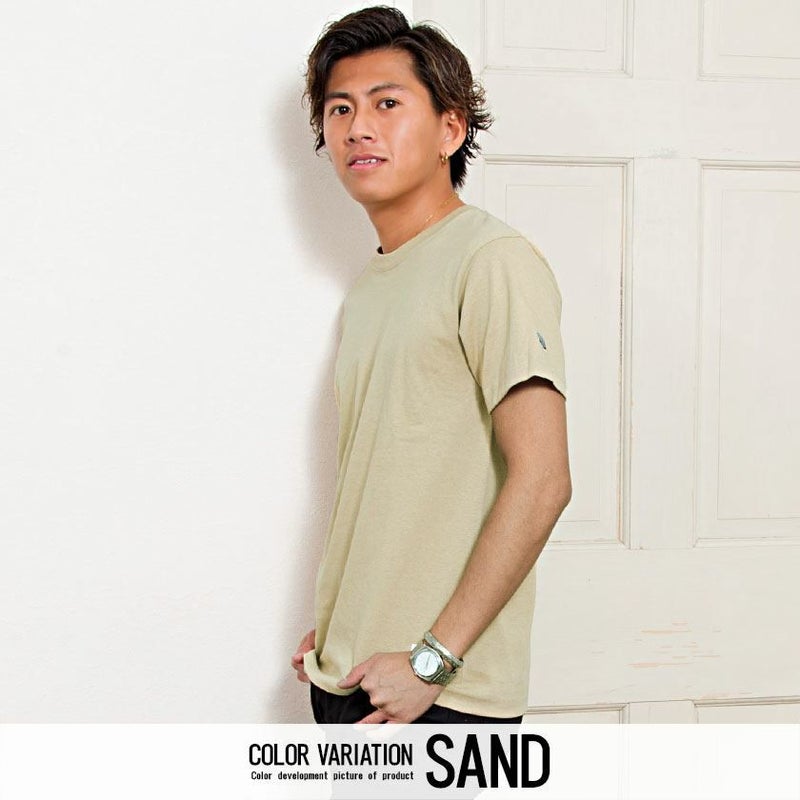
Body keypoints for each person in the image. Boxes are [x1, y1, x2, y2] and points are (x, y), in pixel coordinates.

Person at [291, 5, 572, 725]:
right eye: (340, 109)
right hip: (352, 675)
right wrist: (345, 620)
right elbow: (396, 479)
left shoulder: (491, 261)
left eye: (387, 103)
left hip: (442, 694)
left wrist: (432, 661)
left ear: (451, 130)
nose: (358, 127)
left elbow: (543, 481)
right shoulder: (372, 286)